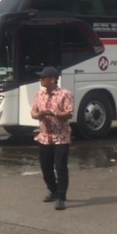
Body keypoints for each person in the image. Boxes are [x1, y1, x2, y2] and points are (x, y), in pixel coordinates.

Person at [30, 66, 74, 211]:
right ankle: (52, 190)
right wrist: (40, 114)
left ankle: (61, 196)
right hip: (44, 136)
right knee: (45, 166)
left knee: (60, 167)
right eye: (41, 77)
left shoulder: (65, 94)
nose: (41, 79)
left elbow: (68, 113)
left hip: (61, 136)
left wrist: (54, 113)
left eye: (44, 77)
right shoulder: (39, 94)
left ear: (53, 79)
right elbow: (33, 113)